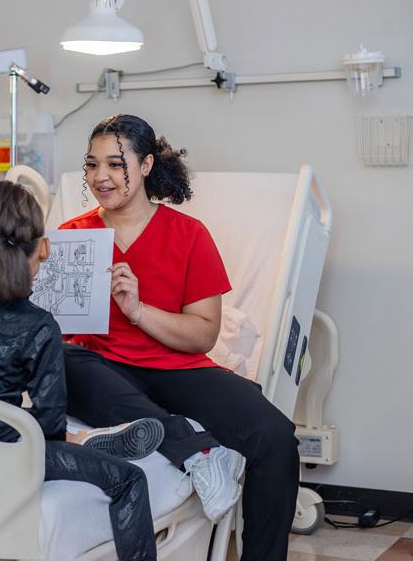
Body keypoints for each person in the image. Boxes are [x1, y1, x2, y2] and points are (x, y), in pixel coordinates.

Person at [59, 114, 299, 560]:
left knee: (277, 437)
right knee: (62, 359)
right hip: (102, 373)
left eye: (115, 164)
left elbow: (204, 335)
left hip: (178, 370)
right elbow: (57, 329)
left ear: (147, 164)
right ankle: (194, 446)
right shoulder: (72, 238)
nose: (100, 177)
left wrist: (139, 312)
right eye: (92, 165)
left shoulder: (189, 235)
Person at [0, 181, 162, 561]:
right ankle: (83, 439)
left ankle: (84, 437)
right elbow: (49, 423)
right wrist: (54, 433)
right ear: (44, 247)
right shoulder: (39, 326)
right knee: (130, 480)